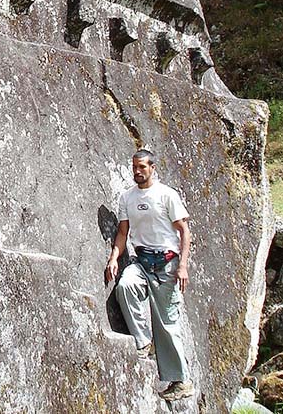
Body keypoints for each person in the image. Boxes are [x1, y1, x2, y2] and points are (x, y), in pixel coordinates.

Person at [104, 149, 194, 401]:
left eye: (142, 167)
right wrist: (113, 258)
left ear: (153, 167)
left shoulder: (166, 195)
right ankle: (144, 342)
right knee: (125, 286)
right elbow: (123, 233)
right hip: (141, 260)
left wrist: (183, 265)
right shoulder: (127, 198)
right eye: (134, 167)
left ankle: (181, 382)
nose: (137, 171)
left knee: (167, 322)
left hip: (166, 264)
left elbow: (184, 232)